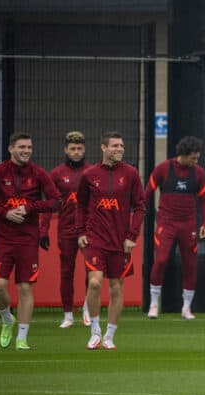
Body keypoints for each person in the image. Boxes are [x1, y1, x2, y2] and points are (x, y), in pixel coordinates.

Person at [0, 132, 61, 350]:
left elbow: (56, 200)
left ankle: (22, 337)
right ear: (11, 149)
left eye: (29, 148)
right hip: (3, 239)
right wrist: (4, 213)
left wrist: (30, 207)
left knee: (25, 288)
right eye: (22, 147)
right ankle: (6, 319)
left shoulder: (38, 173)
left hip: (28, 240)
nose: (26, 151)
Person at [76, 131, 145, 350]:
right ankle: (95, 331)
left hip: (120, 241)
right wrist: (80, 232)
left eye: (121, 146)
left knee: (116, 288)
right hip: (96, 239)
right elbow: (80, 206)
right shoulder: (89, 174)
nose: (119, 149)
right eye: (115, 146)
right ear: (103, 148)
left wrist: (132, 236)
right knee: (95, 282)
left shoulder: (131, 174)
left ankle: (110, 336)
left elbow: (140, 207)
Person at [144, 136, 205, 320]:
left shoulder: (199, 173)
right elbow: (147, 193)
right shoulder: (163, 169)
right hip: (167, 222)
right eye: (194, 158)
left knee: (190, 264)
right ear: (183, 155)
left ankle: (186, 308)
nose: (196, 161)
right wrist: (138, 214)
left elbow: (204, 201)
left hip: (188, 223)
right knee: (161, 260)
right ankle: (154, 304)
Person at [39, 131, 92, 328]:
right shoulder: (56, 174)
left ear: (84, 149)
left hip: (88, 231)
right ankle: (68, 315)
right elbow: (49, 205)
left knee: (92, 271)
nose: (76, 152)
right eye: (73, 149)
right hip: (66, 231)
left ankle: (88, 309)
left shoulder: (92, 172)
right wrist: (42, 231)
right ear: (66, 150)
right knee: (66, 272)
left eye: (79, 148)